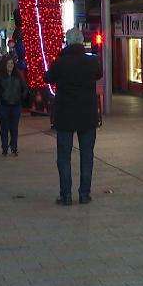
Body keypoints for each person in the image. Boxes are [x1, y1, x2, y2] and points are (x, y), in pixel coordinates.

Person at [45, 29, 102, 206]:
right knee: (87, 155)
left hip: (65, 115)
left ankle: (66, 195)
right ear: (81, 42)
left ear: (68, 42)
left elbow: (48, 78)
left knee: (64, 156)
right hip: (87, 115)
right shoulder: (92, 62)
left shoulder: (61, 62)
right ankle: (84, 194)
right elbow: (98, 75)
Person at [0, 57, 28, 157]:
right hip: (3, 106)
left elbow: (25, 88)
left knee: (14, 128)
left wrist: (21, 97)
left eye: (12, 64)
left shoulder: (18, 76)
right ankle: (4, 147)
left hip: (16, 105)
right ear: (5, 65)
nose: (10, 66)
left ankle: (14, 147)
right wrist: (0, 99)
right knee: (4, 127)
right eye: (8, 64)